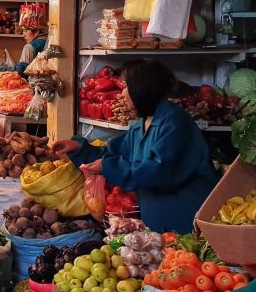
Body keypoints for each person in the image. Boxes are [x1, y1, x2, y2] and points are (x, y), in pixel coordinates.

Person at [52, 60, 216, 232]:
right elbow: (112, 154)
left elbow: (157, 173)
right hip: (158, 224)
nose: (121, 94)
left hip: (188, 222)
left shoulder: (175, 124)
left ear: (142, 89)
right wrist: (79, 149)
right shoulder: (141, 125)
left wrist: (107, 166)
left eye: (125, 87)